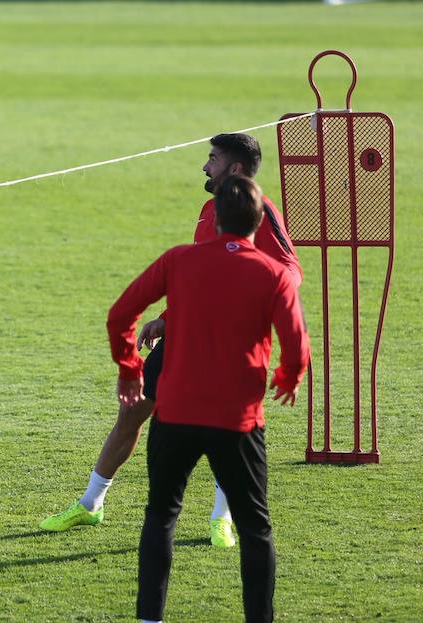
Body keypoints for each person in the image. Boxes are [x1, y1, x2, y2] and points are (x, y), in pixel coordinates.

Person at [40, 134, 302, 548]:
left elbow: (290, 270)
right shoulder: (209, 209)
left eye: (212, 159)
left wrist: (248, 296)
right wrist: (167, 317)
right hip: (182, 339)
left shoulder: (261, 211)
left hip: (228, 347)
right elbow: (201, 277)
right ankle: (91, 504)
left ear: (234, 169)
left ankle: (222, 519)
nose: (205, 166)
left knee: (225, 428)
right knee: (131, 413)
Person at [108, 175, 309, 623]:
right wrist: (288, 376)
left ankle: (149, 619)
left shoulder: (178, 261)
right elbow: (297, 345)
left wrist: (129, 369)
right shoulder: (272, 273)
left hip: (176, 414)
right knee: (255, 529)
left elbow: (121, 314)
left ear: (213, 218)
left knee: (161, 516)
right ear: (258, 223)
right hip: (238, 422)